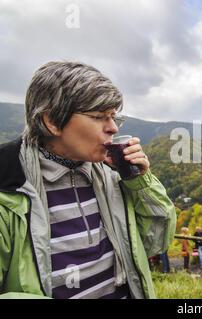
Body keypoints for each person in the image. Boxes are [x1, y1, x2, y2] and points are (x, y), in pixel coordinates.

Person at [0, 61, 177, 299]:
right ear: (52, 121)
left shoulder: (111, 173)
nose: (113, 128)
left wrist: (140, 182)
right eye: (99, 117)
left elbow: (156, 242)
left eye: (114, 117)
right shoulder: (8, 183)